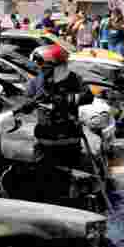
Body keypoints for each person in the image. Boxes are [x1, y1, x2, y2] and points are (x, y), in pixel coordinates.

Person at [19, 43, 94, 173]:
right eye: (41, 68)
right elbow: (26, 103)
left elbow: (88, 97)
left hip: (69, 141)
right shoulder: (36, 82)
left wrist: (66, 99)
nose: (42, 71)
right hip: (44, 142)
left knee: (72, 180)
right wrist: (27, 105)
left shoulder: (74, 79)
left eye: (46, 68)